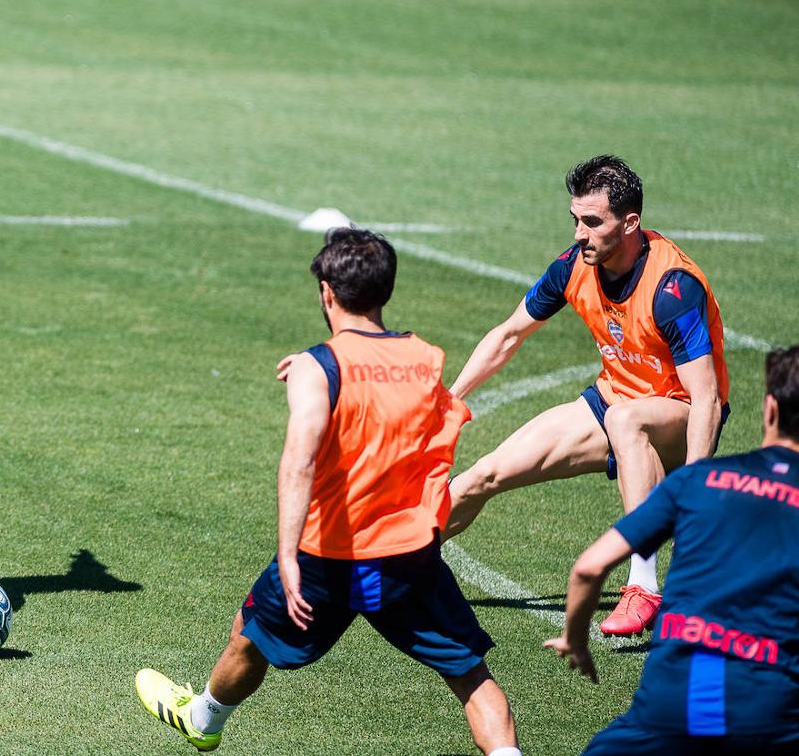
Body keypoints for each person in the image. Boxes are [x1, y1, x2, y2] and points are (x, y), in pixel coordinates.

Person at [135, 229, 520, 755]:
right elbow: (392, 400)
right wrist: (319, 369)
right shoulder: (425, 359)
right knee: (472, 677)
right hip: (408, 553)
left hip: (329, 554)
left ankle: (204, 717)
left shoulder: (320, 367)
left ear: (326, 293)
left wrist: (289, 557)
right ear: (385, 292)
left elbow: (300, 462)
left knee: (249, 632)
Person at [442, 155, 730, 636]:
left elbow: (706, 399)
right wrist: (450, 401)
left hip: (679, 416)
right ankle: (393, 558)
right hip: (612, 399)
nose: (580, 233)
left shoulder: (673, 287)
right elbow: (509, 335)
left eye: (593, 222)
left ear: (631, 222)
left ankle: (643, 585)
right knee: (482, 476)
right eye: (575, 219)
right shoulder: (574, 265)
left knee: (627, 421)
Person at [545, 344, 799, 755]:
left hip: (682, 692)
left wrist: (575, 640)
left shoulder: (700, 480)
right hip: (773, 707)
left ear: (770, 409)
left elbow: (589, 568)